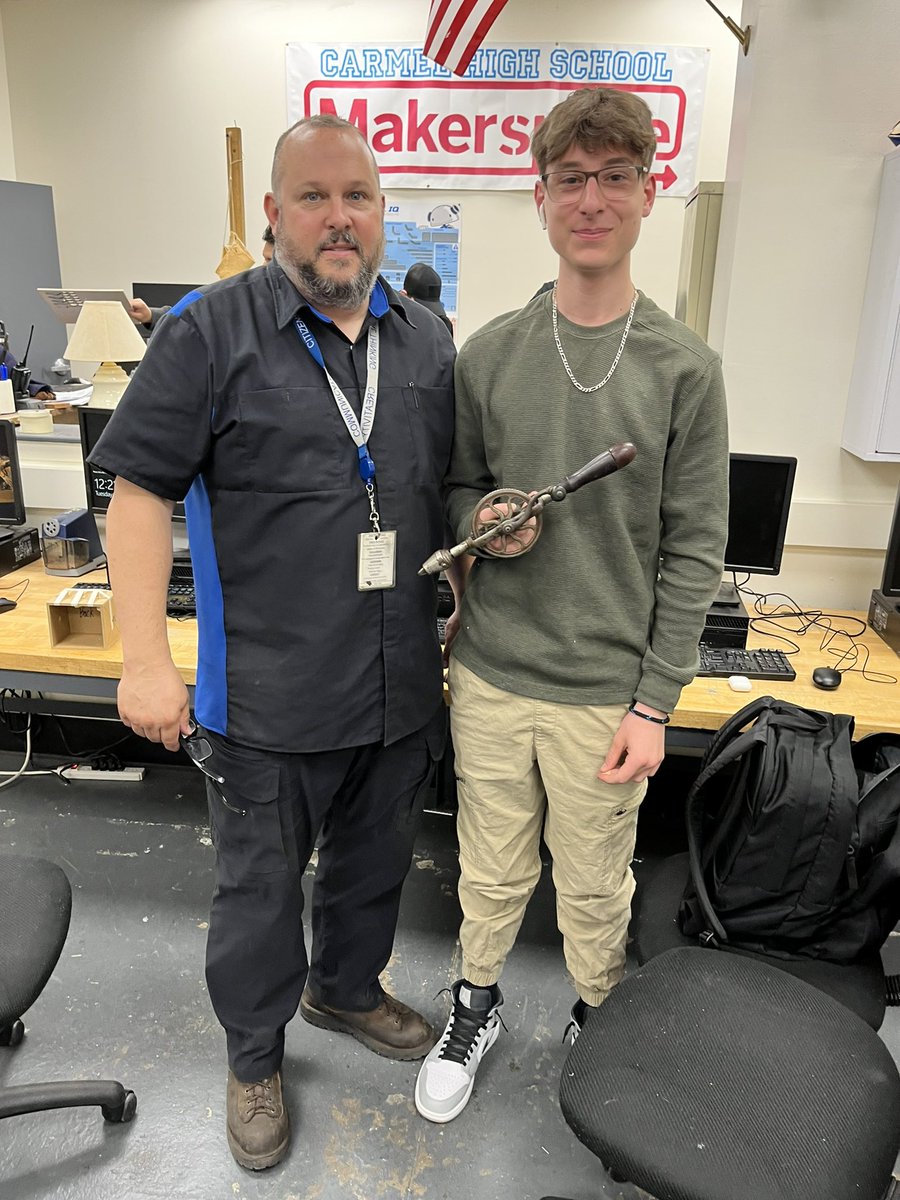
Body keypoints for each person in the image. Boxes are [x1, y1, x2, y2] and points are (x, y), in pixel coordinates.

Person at [90, 113, 457, 1170]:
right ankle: (256, 1054)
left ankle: (344, 990)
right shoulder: (209, 332)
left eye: (360, 198)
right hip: (268, 694)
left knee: (374, 866)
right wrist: (146, 657)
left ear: (382, 213)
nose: (340, 219)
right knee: (259, 894)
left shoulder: (424, 338)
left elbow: (442, 488)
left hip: (395, 681)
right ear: (276, 213)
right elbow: (140, 492)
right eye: (315, 197)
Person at [414, 86, 729, 1124]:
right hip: (496, 675)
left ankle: (603, 1023)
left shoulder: (685, 368)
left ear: (650, 192)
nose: (591, 198)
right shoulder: (490, 354)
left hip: (607, 695)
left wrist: (653, 704)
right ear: (539, 197)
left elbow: (694, 548)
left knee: (597, 887)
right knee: (488, 870)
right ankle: (476, 1003)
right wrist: (487, 513)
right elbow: (453, 490)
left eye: (614, 177)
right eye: (570, 178)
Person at [129, 225, 276, 332]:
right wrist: (150, 316)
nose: (263, 267)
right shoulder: (245, 296)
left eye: (270, 260)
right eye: (265, 259)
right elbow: (200, 319)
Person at [402, 262, 453, 336]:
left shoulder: (444, 325)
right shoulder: (391, 326)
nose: (428, 315)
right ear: (403, 296)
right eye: (422, 308)